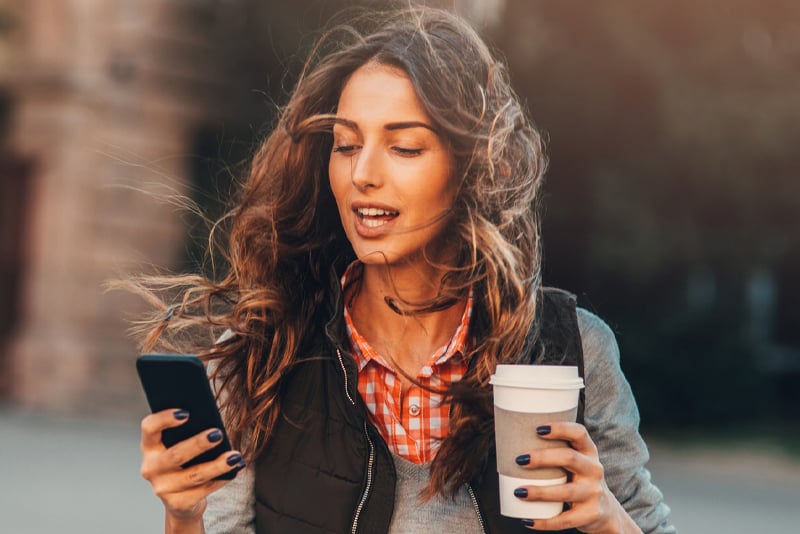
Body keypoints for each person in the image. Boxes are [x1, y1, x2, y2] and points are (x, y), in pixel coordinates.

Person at [134, 6, 675, 534]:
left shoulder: (574, 350)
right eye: (346, 144)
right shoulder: (264, 355)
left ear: (470, 166)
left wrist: (608, 520)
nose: (363, 173)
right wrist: (184, 517)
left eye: (405, 146)